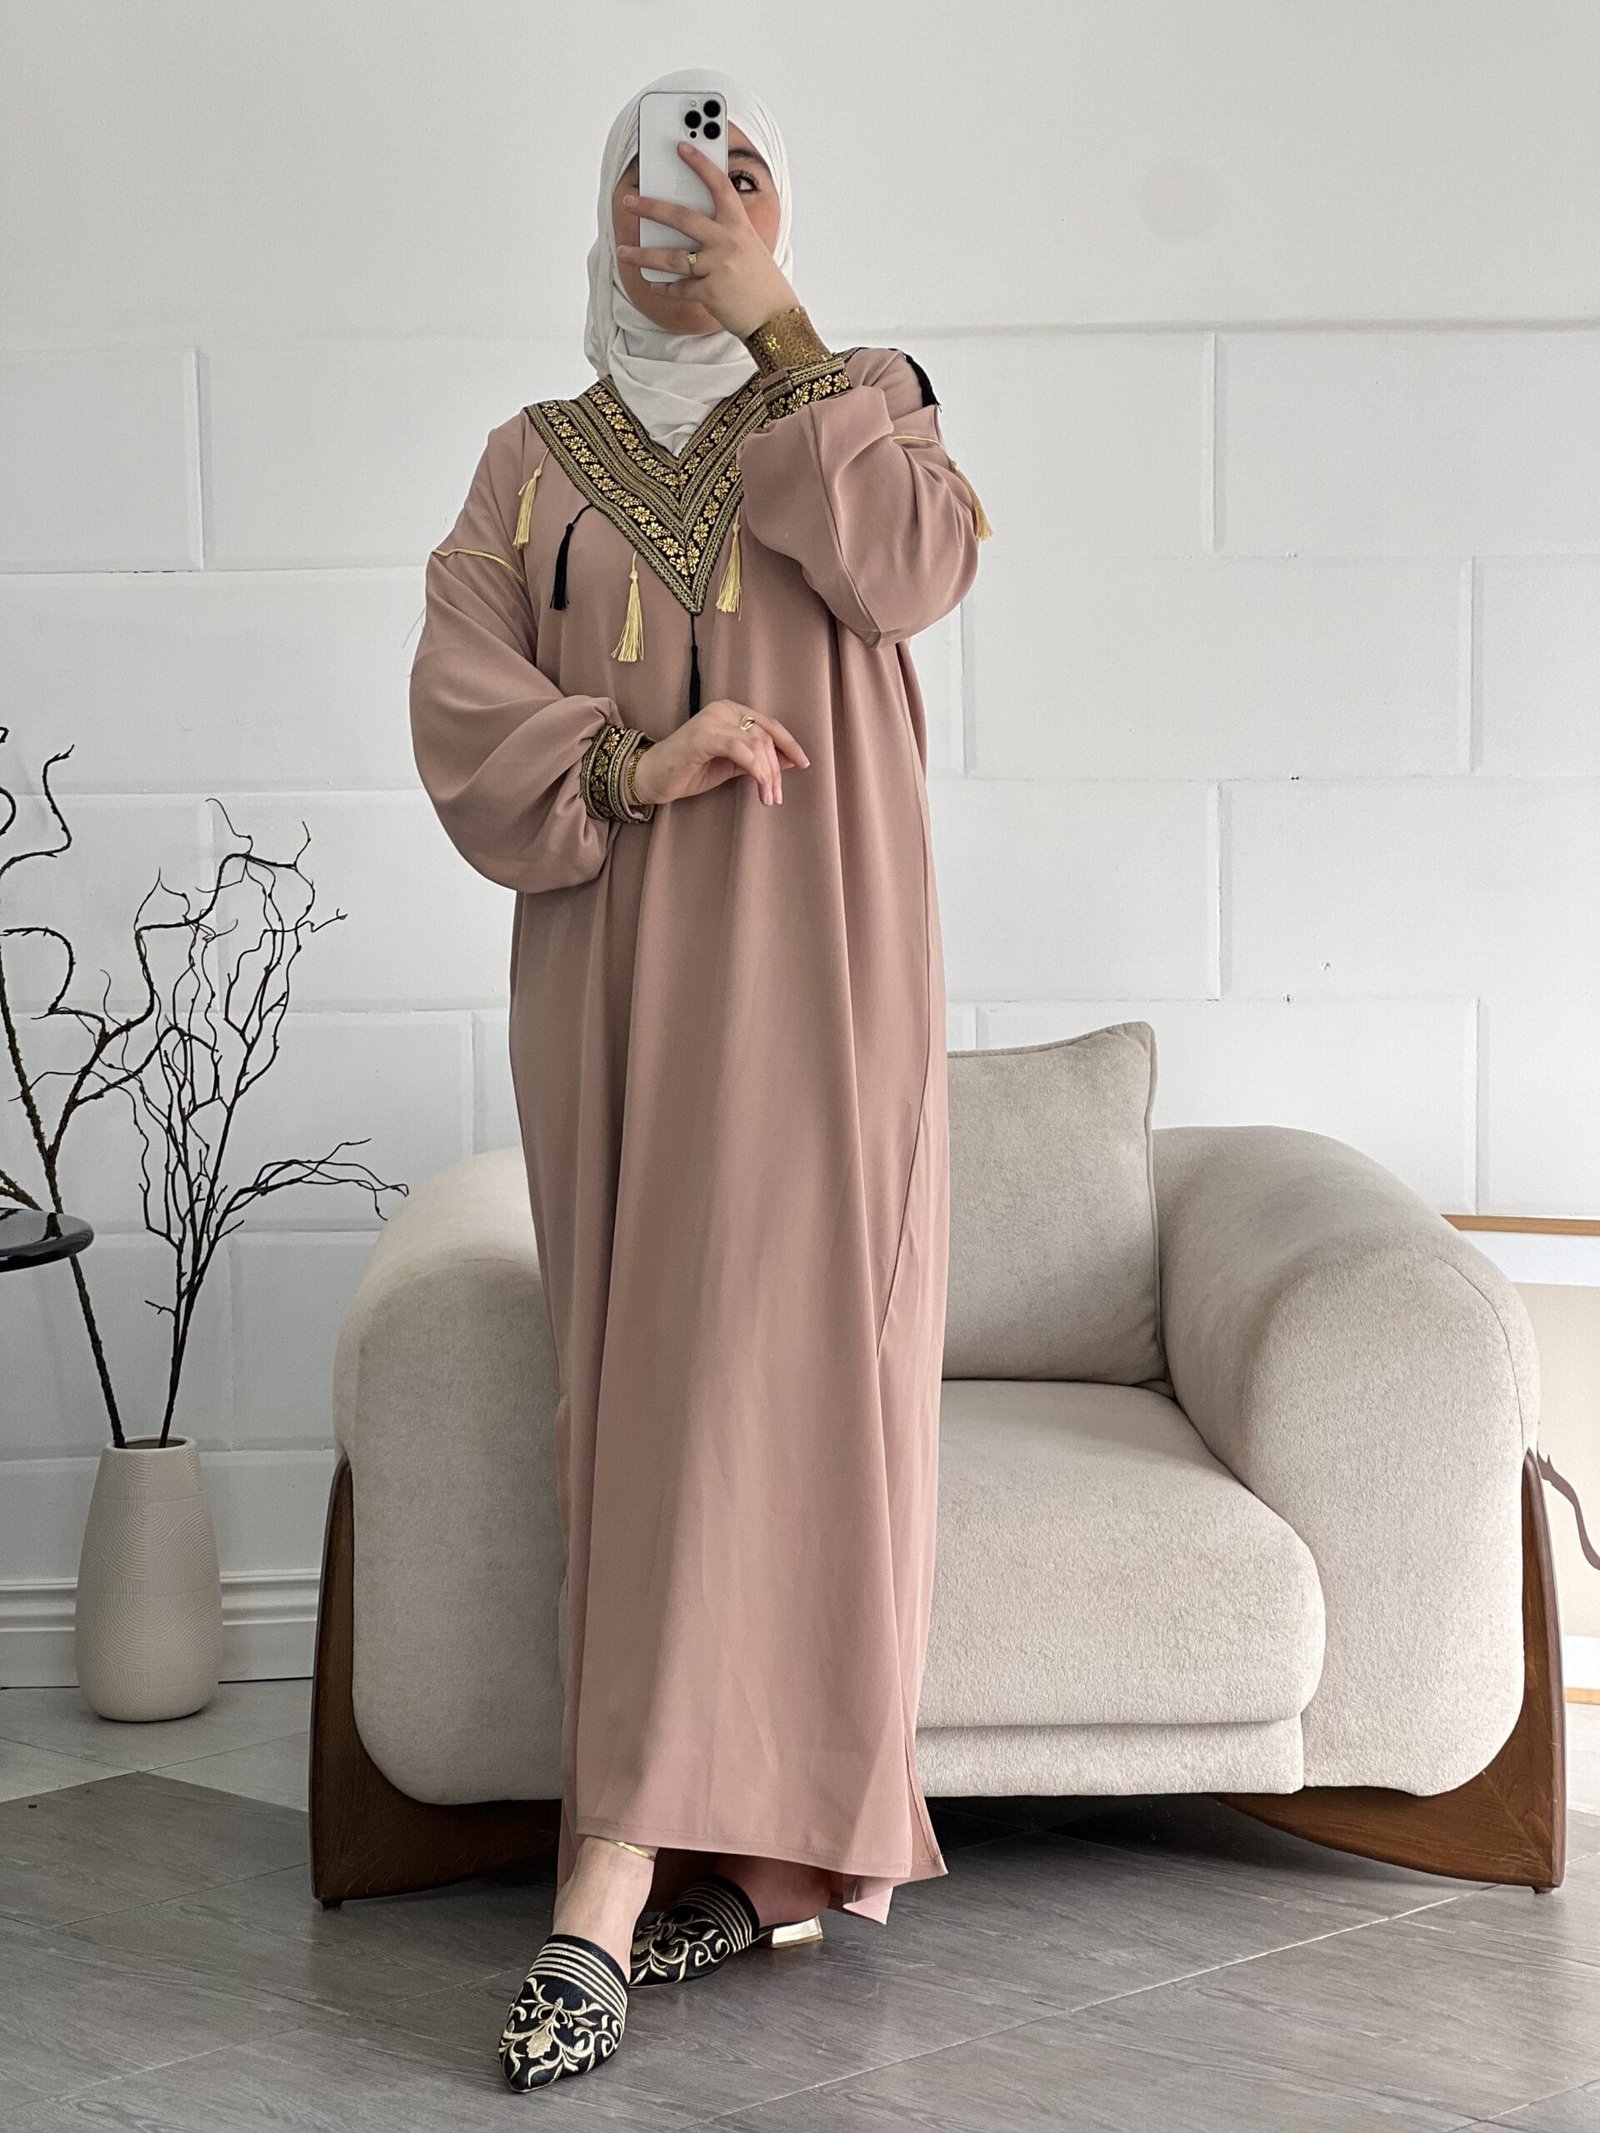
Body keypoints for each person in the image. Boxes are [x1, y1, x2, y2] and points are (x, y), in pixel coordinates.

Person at [408, 65, 990, 2094]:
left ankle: (627, 1873)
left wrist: (783, 328)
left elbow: (915, 569)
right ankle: (744, 1872)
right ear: (607, 209)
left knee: (795, 1383)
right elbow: (457, 695)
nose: (700, 209)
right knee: (649, 1388)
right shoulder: (527, 463)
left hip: (825, 980)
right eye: (665, 177)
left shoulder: (860, 399)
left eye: (740, 180)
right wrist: (631, 759)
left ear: (779, 209)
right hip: (619, 978)